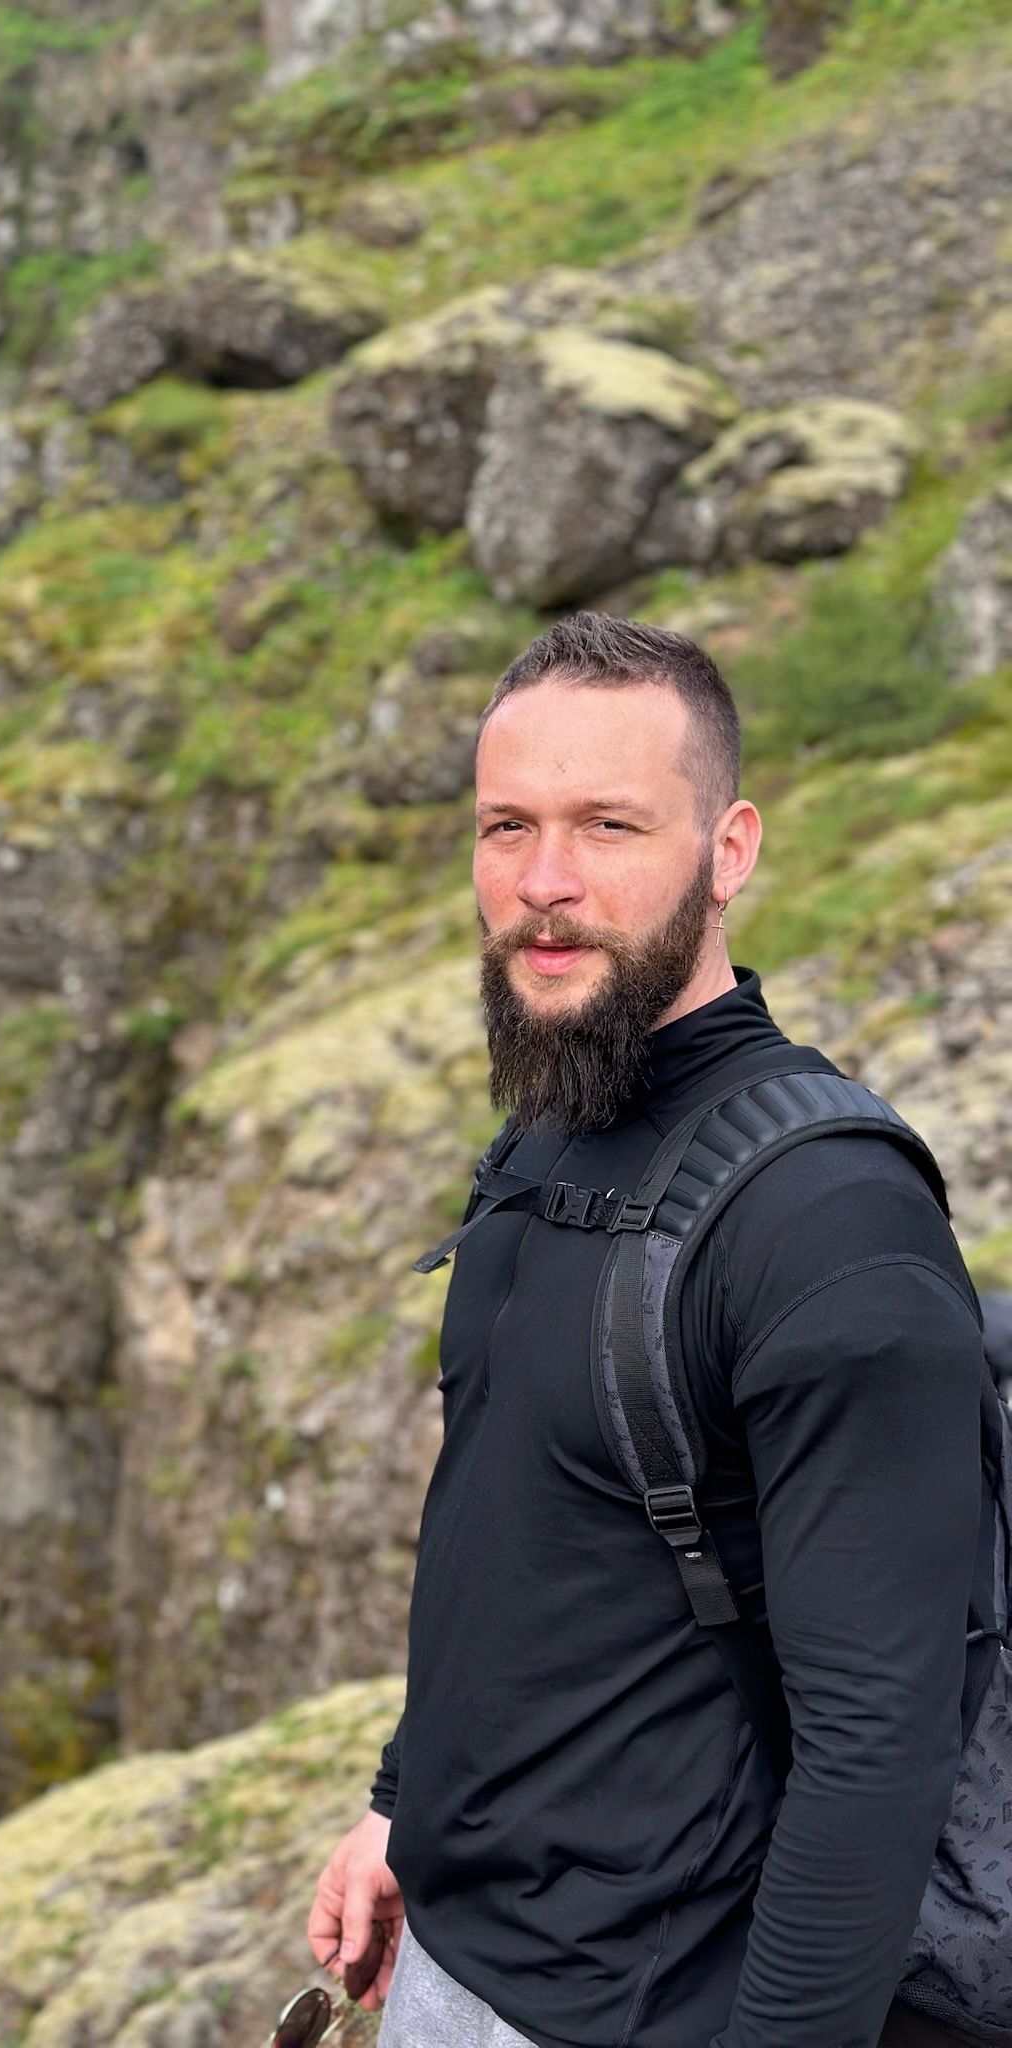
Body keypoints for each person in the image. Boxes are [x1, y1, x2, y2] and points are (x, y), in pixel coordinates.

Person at [304, 613, 990, 2048]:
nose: (544, 884)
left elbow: (880, 1749)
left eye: (610, 825)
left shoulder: (827, 1222)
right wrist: (401, 1806)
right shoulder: (559, 1119)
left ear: (728, 850)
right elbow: (517, 1537)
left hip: (650, 2011)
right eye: (508, 826)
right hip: (458, 1962)